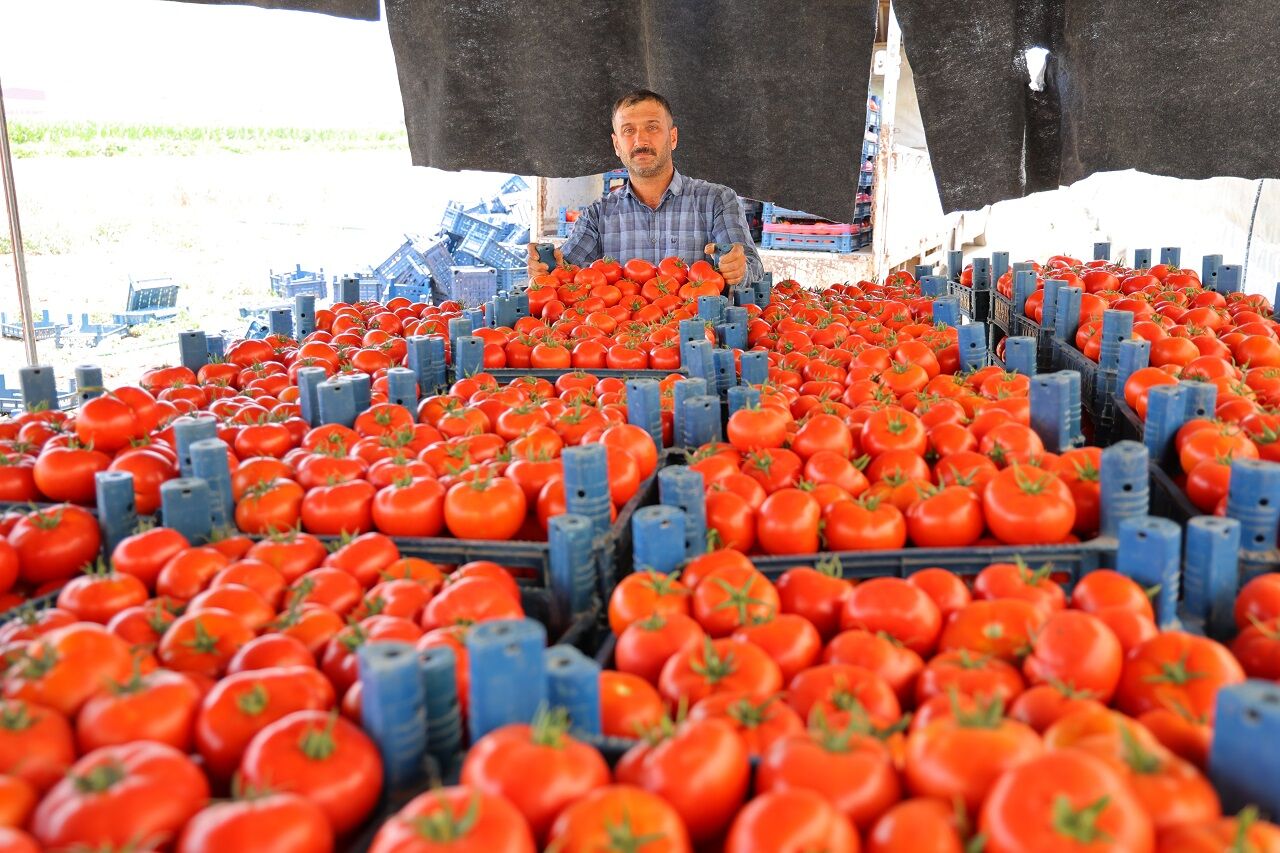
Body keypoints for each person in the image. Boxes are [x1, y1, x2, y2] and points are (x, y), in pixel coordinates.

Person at [526, 89, 764, 287]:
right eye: (629, 131)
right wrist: (545, 267)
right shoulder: (598, 216)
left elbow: (752, 266)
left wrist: (738, 268)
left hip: (698, 336)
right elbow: (563, 272)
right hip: (624, 340)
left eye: (652, 127)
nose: (641, 141)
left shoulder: (717, 200)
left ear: (673, 138)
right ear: (617, 144)